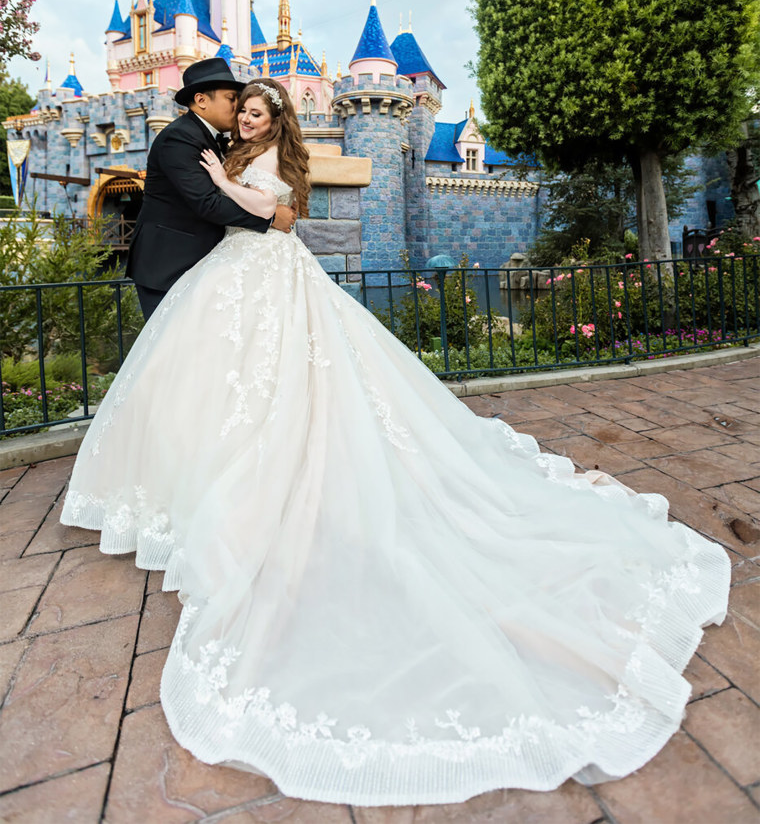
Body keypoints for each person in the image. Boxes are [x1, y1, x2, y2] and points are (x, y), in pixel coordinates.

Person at [62, 77, 730, 807]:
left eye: (255, 110)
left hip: (263, 270)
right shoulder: (199, 145)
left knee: (285, 385)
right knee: (223, 384)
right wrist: (233, 182)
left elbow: (274, 214)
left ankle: (262, 486)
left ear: (273, 119)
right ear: (217, 109)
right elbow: (219, 206)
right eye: (239, 107)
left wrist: (246, 191)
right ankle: (195, 481)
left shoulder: (254, 157)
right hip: (225, 278)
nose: (244, 116)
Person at [126, 57, 296, 320]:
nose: (238, 106)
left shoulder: (216, 139)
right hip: (167, 265)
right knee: (169, 348)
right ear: (202, 100)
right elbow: (207, 203)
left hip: (204, 265)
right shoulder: (179, 138)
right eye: (231, 98)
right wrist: (272, 218)